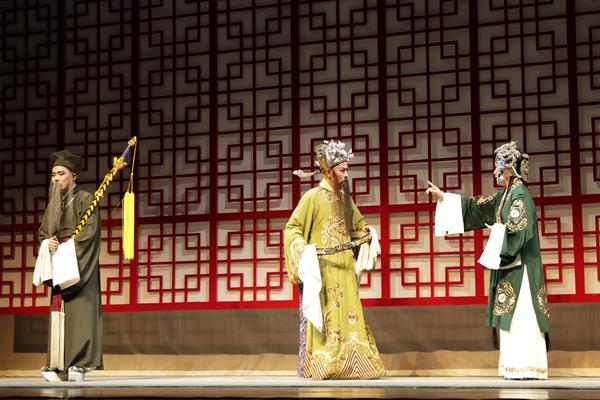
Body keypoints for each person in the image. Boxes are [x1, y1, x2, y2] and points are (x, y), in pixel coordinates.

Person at [426, 141, 550, 380]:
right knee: (511, 316)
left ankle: (528, 366)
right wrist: (445, 198)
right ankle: (514, 367)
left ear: (509, 169)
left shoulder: (520, 196)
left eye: (498, 168)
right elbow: (476, 206)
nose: (495, 173)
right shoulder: (505, 196)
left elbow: (519, 231)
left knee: (522, 314)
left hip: (521, 266)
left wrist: (499, 241)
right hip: (510, 263)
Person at [284, 139, 385, 380]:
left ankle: (356, 364)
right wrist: (303, 250)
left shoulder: (344, 198)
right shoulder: (312, 197)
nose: (346, 174)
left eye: (346, 169)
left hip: (344, 267)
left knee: (349, 313)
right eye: (342, 170)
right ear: (328, 172)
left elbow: (358, 224)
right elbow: (292, 228)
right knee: (326, 314)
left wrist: (367, 233)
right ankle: (325, 364)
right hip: (323, 268)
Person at [38, 149, 103, 382]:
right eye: (53, 174)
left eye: (61, 173)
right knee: (60, 313)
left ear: (73, 176)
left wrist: (66, 248)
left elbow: (90, 232)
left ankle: (80, 365)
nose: (56, 178)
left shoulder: (86, 199)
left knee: (81, 313)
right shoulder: (53, 205)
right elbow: (43, 234)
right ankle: (58, 365)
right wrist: (48, 244)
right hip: (59, 262)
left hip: (79, 263)